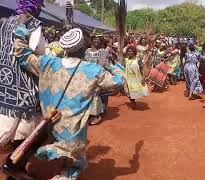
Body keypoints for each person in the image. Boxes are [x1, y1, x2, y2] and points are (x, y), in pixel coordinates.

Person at [14, 27, 124, 180]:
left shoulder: (48, 62)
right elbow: (118, 82)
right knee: (76, 160)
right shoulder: (94, 70)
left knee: (47, 145)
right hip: (72, 128)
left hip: (49, 121)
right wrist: (115, 66)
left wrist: (20, 31)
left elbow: (23, 55)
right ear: (83, 47)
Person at [0, 1, 45, 179]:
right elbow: (35, 52)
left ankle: (15, 167)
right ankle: (14, 166)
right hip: (25, 87)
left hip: (4, 83)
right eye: (40, 6)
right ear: (35, 6)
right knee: (32, 131)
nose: (41, 10)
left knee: (7, 129)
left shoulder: (5, 22)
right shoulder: (33, 24)